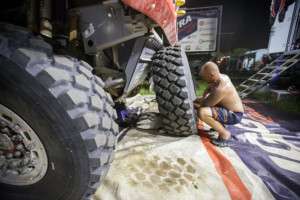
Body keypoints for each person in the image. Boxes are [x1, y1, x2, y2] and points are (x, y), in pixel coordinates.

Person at [194, 61, 244, 147]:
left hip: (234, 115)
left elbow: (203, 106)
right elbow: (207, 93)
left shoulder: (220, 89)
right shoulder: (222, 77)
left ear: (212, 75)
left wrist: (190, 104)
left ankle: (225, 134)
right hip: (227, 108)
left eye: (204, 76)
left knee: (203, 112)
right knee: (196, 101)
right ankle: (221, 124)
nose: (203, 78)